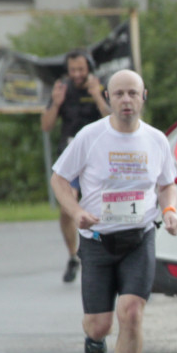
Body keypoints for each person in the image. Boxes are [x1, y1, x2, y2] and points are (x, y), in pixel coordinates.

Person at [50, 70, 177, 353]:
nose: (126, 100)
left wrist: (169, 211)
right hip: (96, 240)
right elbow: (59, 178)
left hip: (139, 237)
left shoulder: (156, 140)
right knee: (100, 324)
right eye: (119, 94)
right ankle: (93, 338)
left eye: (132, 94)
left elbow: (167, 183)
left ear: (143, 96)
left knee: (132, 312)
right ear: (107, 97)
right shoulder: (90, 137)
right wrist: (76, 211)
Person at [40, 49, 110, 283]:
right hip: (70, 157)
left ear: (89, 67)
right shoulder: (62, 89)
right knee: (66, 209)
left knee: (103, 208)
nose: (77, 74)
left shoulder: (102, 87)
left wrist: (97, 95)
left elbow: (115, 120)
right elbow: (46, 126)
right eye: (73, 70)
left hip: (97, 159)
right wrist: (55, 104)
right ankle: (73, 256)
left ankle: (103, 254)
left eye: (81, 69)